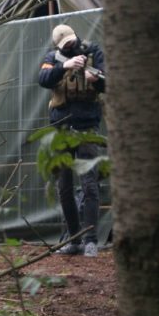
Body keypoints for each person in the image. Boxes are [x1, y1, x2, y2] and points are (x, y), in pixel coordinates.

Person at [38, 23, 106, 257]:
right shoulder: (52, 58)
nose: (70, 45)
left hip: (87, 128)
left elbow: (108, 82)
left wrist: (95, 77)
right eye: (64, 44)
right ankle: (74, 239)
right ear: (58, 45)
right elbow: (43, 78)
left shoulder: (93, 51)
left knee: (89, 184)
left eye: (71, 40)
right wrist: (64, 65)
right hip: (61, 131)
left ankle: (90, 240)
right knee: (64, 186)